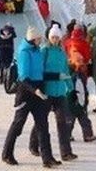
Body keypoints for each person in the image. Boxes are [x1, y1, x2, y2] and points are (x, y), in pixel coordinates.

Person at [1, 26, 61, 167]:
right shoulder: (24, 52)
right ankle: (7, 154)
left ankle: (47, 158)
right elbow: (23, 77)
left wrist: (57, 76)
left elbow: (40, 73)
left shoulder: (37, 51)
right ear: (33, 39)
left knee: (43, 126)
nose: (41, 40)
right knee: (18, 125)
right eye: (39, 38)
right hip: (26, 93)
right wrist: (35, 90)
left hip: (38, 92)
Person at [30, 26, 77, 161]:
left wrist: (71, 88)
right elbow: (40, 72)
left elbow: (66, 72)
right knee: (41, 120)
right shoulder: (44, 51)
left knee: (63, 122)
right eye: (53, 37)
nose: (55, 40)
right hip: (47, 91)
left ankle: (66, 152)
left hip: (60, 92)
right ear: (49, 38)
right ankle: (34, 144)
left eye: (57, 37)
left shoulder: (62, 52)